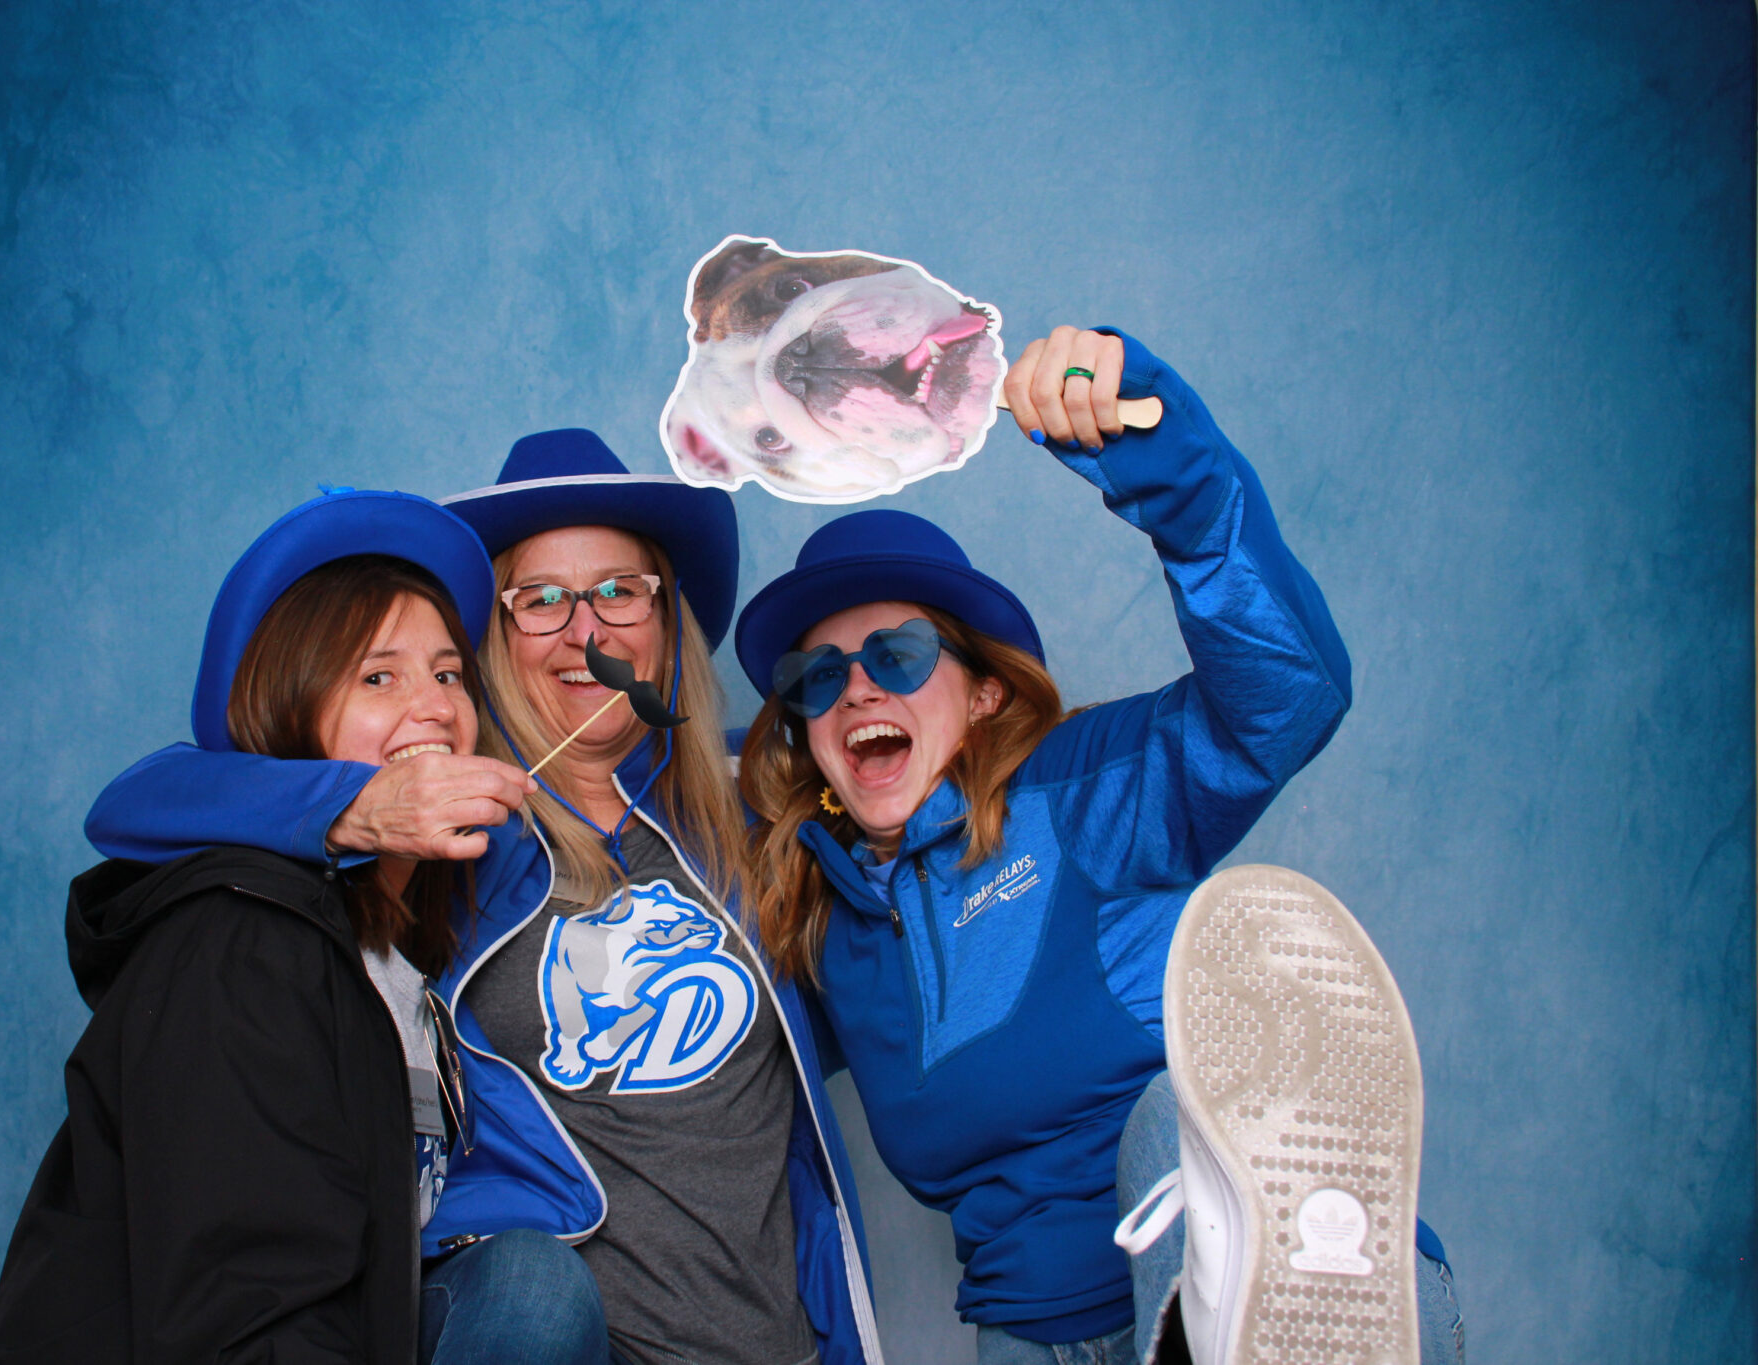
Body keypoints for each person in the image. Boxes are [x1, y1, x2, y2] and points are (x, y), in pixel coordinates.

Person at [734, 327, 1462, 1365]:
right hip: (1032, 1331)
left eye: (896, 655)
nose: (854, 688)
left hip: (1222, 1253)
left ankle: (1282, 1304)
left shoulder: (1079, 793)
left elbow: (1285, 696)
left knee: (1172, 1116)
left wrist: (1164, 466)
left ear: (985, 694)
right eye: (817, 679)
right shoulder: (823, 927)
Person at [83, 430, 884, 1365]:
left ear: (667, 620)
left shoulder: (754, 808)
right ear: (493, 641)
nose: (587, 633)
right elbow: (141, 803)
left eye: (620, 590)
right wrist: (356, 807)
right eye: (540, 600)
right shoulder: (448, 833)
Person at [0, 488, 503, 1365]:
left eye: (448, 673)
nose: (434, 705)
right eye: (378, 676)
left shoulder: (393, 961)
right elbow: (249, 1312)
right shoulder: (249, 941)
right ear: (289, 708)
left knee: (522, 1280)